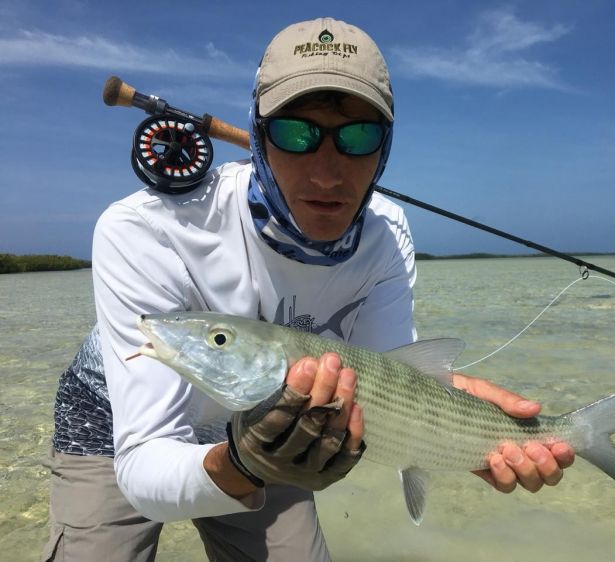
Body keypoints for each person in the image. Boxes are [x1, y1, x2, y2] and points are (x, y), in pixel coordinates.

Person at [42, 17, 574, 562]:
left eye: (358, 137)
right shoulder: (145, 228)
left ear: (385, 147)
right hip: (117, 423)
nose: (327, 173)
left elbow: (386, 376)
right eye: (296, 134)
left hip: (284, 427)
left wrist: (453, 423)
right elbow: (143, 464)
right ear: (258, 133)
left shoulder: (386, 235)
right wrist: (243, 465)